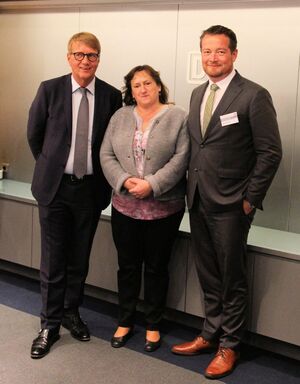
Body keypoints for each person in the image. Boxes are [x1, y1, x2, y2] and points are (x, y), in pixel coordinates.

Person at [171, 25, 282, 379]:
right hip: (199, 200)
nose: (212, 58)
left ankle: (230, 345)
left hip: (234, 205)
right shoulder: (196, 94)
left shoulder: (253, 95)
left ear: (234, 54)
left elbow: (270, 152)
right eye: (206, 51)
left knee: (232, 277)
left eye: (220, 51)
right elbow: (198, 147)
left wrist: (250, 199)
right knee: (208, 273)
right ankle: (209, 333)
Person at [27, 32, 122, 359]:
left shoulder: (111, 96)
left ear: (99, 59)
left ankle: (71, 312)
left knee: (79, 257)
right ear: (69, 57)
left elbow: (112, 143)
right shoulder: (49, 89)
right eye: (79, 54)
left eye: (92, 55)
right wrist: (54, 165)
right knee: (53, 260)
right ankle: (49, 324)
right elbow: (34, 136)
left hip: (91, 190)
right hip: (55, 188)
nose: (85, 61)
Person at [100, 65, 189, 352]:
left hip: (164, 208)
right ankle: (125, 320)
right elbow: (106, 153)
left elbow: (181, 158)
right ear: (131, 90)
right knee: (127, 266)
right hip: (125, 207)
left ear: (158, 86)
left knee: (156, 268)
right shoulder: (120, 116)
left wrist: (152, 184)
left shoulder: (178, 117)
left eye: (148, 83)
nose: (143, 89)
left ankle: (153, 324)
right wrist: (124, 180)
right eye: (136, 85)